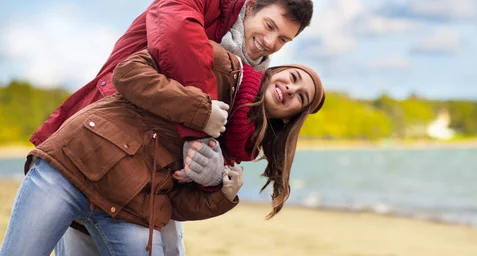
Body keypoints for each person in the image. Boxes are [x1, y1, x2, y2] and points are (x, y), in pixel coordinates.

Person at [25, 0, 313, 255]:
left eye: (284, 40)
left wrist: (218, 179)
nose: (271, 42)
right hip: (97, 142)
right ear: (251, 5)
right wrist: (200, 125)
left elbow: (210, 145)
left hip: (150, 178)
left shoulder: (249, 80)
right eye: (269, 25)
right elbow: (176, 40)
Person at [0, 42, 326, 256]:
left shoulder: (237, 150)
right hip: (71, 169)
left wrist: (219, 193)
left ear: (290, 118)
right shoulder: (224, 66)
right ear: (276, 71)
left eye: (300, 97)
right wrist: (198, 111)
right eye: (294, 77)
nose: (291, 88)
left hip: (127, 209)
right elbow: (129, 70)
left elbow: (174, 202)